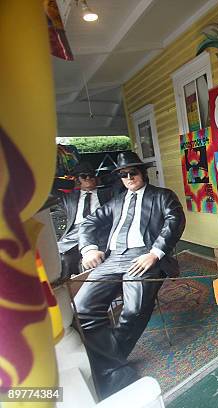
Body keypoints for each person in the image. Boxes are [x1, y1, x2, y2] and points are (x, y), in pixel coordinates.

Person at [74, 151, 186, 397]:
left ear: (142, 172)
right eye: (123, 175)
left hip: (144, 257)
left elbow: (174, 220)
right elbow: (89, 223)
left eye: (132, 172)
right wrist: (89, 249)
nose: (128, 177)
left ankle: (107, 368)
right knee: (81, 307)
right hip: (113, 259)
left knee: (134, 309)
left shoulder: (162, 196)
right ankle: (113, 368)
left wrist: (155, 253)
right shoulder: (115, 202)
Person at [53, 162, 112, 279]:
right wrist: (71, 183)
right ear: (78, 179)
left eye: (91, 175)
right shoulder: (69, 198)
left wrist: (100, 179)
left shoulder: (107, 193)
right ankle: (68, 290)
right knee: (64, 258)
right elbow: (50, 186)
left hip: (99, 232)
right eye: (84, 176)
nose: (89, 178)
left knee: (99, 259)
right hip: (74, 234)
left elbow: (120, 180)